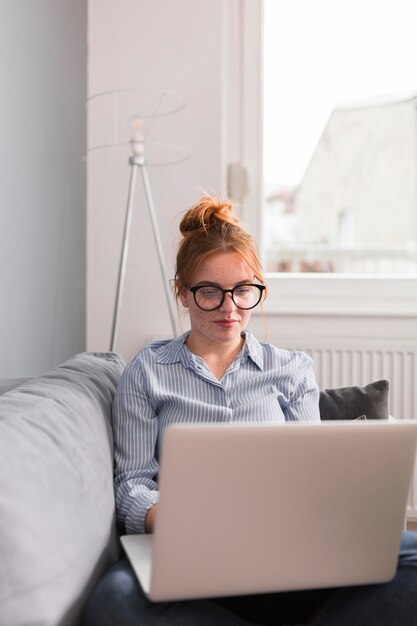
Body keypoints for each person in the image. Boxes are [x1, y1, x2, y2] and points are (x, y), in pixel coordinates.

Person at [83, 195, 417, 626]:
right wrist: (166, 517)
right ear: (182, 293)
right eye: (209, 292)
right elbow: (131, 483)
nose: (229, 308)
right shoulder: (147, 372)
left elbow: (312, 474)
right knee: (115, 601)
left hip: (286, 547)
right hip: (191, 551)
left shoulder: (292, 369)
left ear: (259, 288)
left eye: (243, 291)